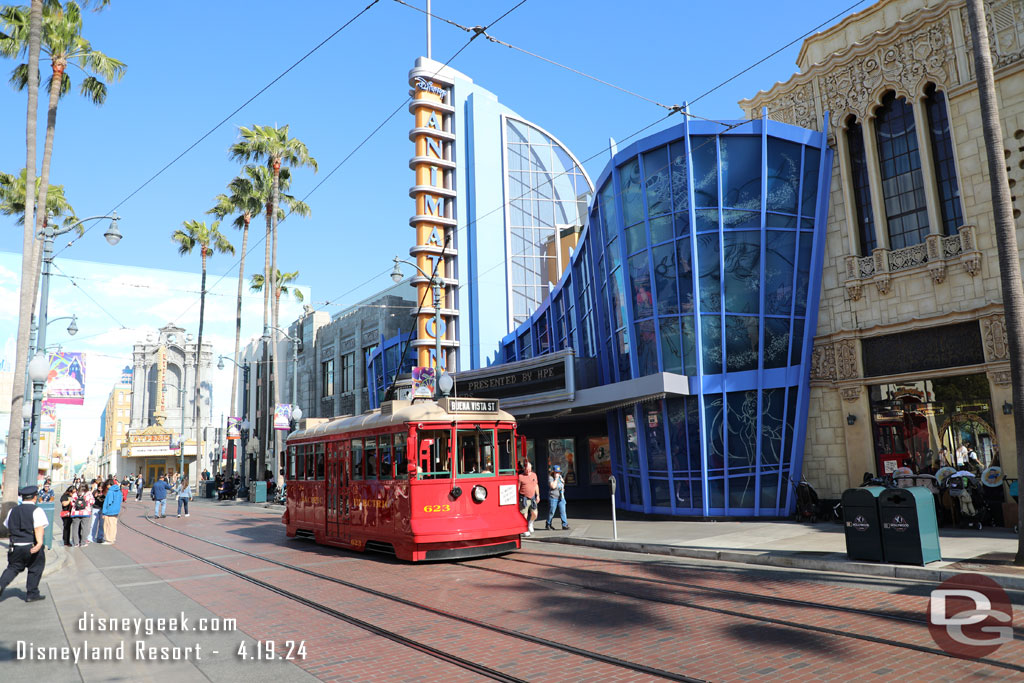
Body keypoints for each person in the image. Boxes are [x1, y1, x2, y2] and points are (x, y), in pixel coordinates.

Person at [0, 486, 49, 602]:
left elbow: (7, 525)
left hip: (15, 546)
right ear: (35, 497)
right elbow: (38, 528)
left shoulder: (13, 510)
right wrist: (39, 543)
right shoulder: (37, 510)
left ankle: (1, 584)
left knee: (13, 568)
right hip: (31, 545)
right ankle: (32, 593)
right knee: (35, 568)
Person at [517, 461, 539, 536]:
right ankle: (524, 529)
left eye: (529, 469)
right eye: (527, 469)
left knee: (535, 514)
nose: (528, 471)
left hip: (532, 497)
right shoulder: (520, 476)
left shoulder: (534, 475)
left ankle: (530, 523)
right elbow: (518, 487)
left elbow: (536, 485)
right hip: (524, 498)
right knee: (524, 514)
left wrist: (538, 495)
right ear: (524, 469)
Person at [545, 464, 570, 531]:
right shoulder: (551, 478)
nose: (558, 473)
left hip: (561, 497)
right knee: (552, 511)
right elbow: (553, 486)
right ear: (553, 472)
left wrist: (563, 483)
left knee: (563, 511)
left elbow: (562, 486)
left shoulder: (560, 477)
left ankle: (565, 525)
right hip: (553, 497)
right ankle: (548, 524)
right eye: (556, 472)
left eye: (559, 472)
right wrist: (556, 479)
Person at [101, 478, 123, 544]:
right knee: (113, 525)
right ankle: (112, 538)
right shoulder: (119, 491)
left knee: (107, 525)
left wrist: (104, 512)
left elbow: (107, 502)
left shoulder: (110, 491)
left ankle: (108, 539)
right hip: (116, 510)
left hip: (109, 511)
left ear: (109, 484)